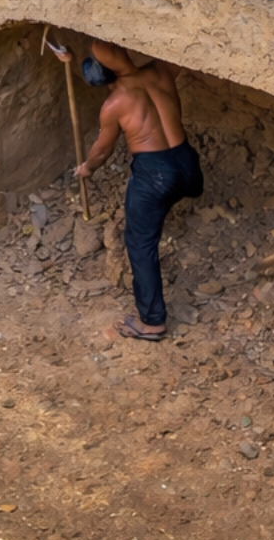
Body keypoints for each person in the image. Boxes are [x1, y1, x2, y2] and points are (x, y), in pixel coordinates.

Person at [56, 39, 203, 342]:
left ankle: (152, 323)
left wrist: (87, 168)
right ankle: (172, 199)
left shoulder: (114, 104)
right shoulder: (160, 70)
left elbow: (102, 150)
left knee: (139, 242)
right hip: (188, 167)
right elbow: (186, 51)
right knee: (173, 191)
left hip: (156, 175)